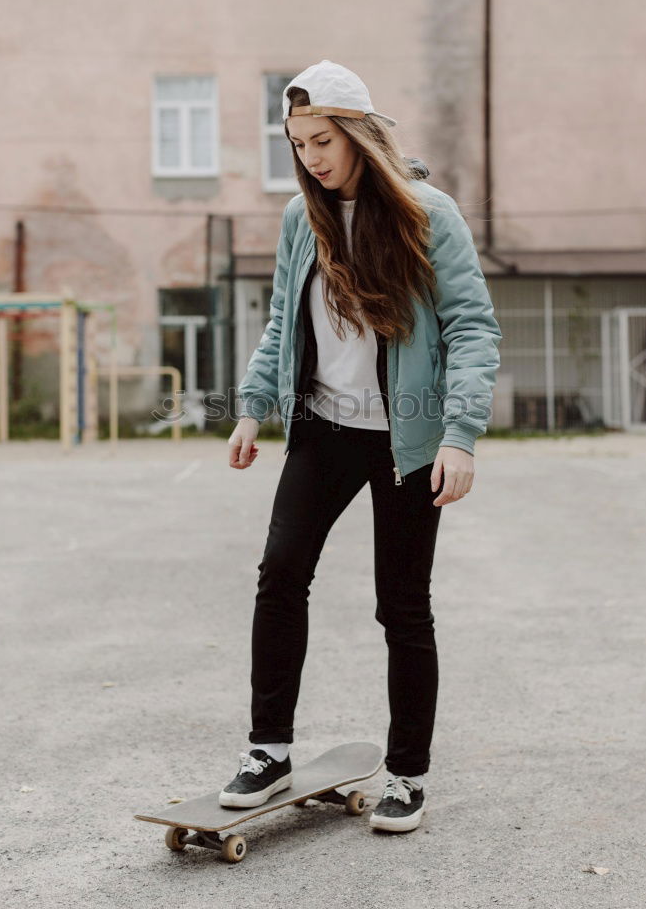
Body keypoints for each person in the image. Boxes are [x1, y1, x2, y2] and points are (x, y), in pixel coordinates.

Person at [222, 59, 502, 833]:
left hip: (408, 440)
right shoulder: (298, 219)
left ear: (358, 133)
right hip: (324, 429)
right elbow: (282, 322)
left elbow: (472, 329)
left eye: (323, 139)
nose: (311, 156)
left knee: (402, 606)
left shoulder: (427, 213)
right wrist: (251, 408)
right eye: (298, 142)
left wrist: (461, 437)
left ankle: (408, 774)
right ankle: (267, 748)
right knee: (280, 575)